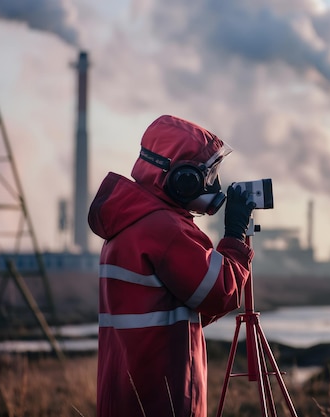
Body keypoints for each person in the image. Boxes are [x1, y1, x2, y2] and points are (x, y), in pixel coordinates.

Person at [88, 114, 256, 417]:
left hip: (125, 397)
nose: (214, 184)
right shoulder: (165, 230)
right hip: (162, 399)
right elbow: (220, 293)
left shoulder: (127, 223)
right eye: (207, 175)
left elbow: (174, 310)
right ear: (183, 179)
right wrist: (234, 236)